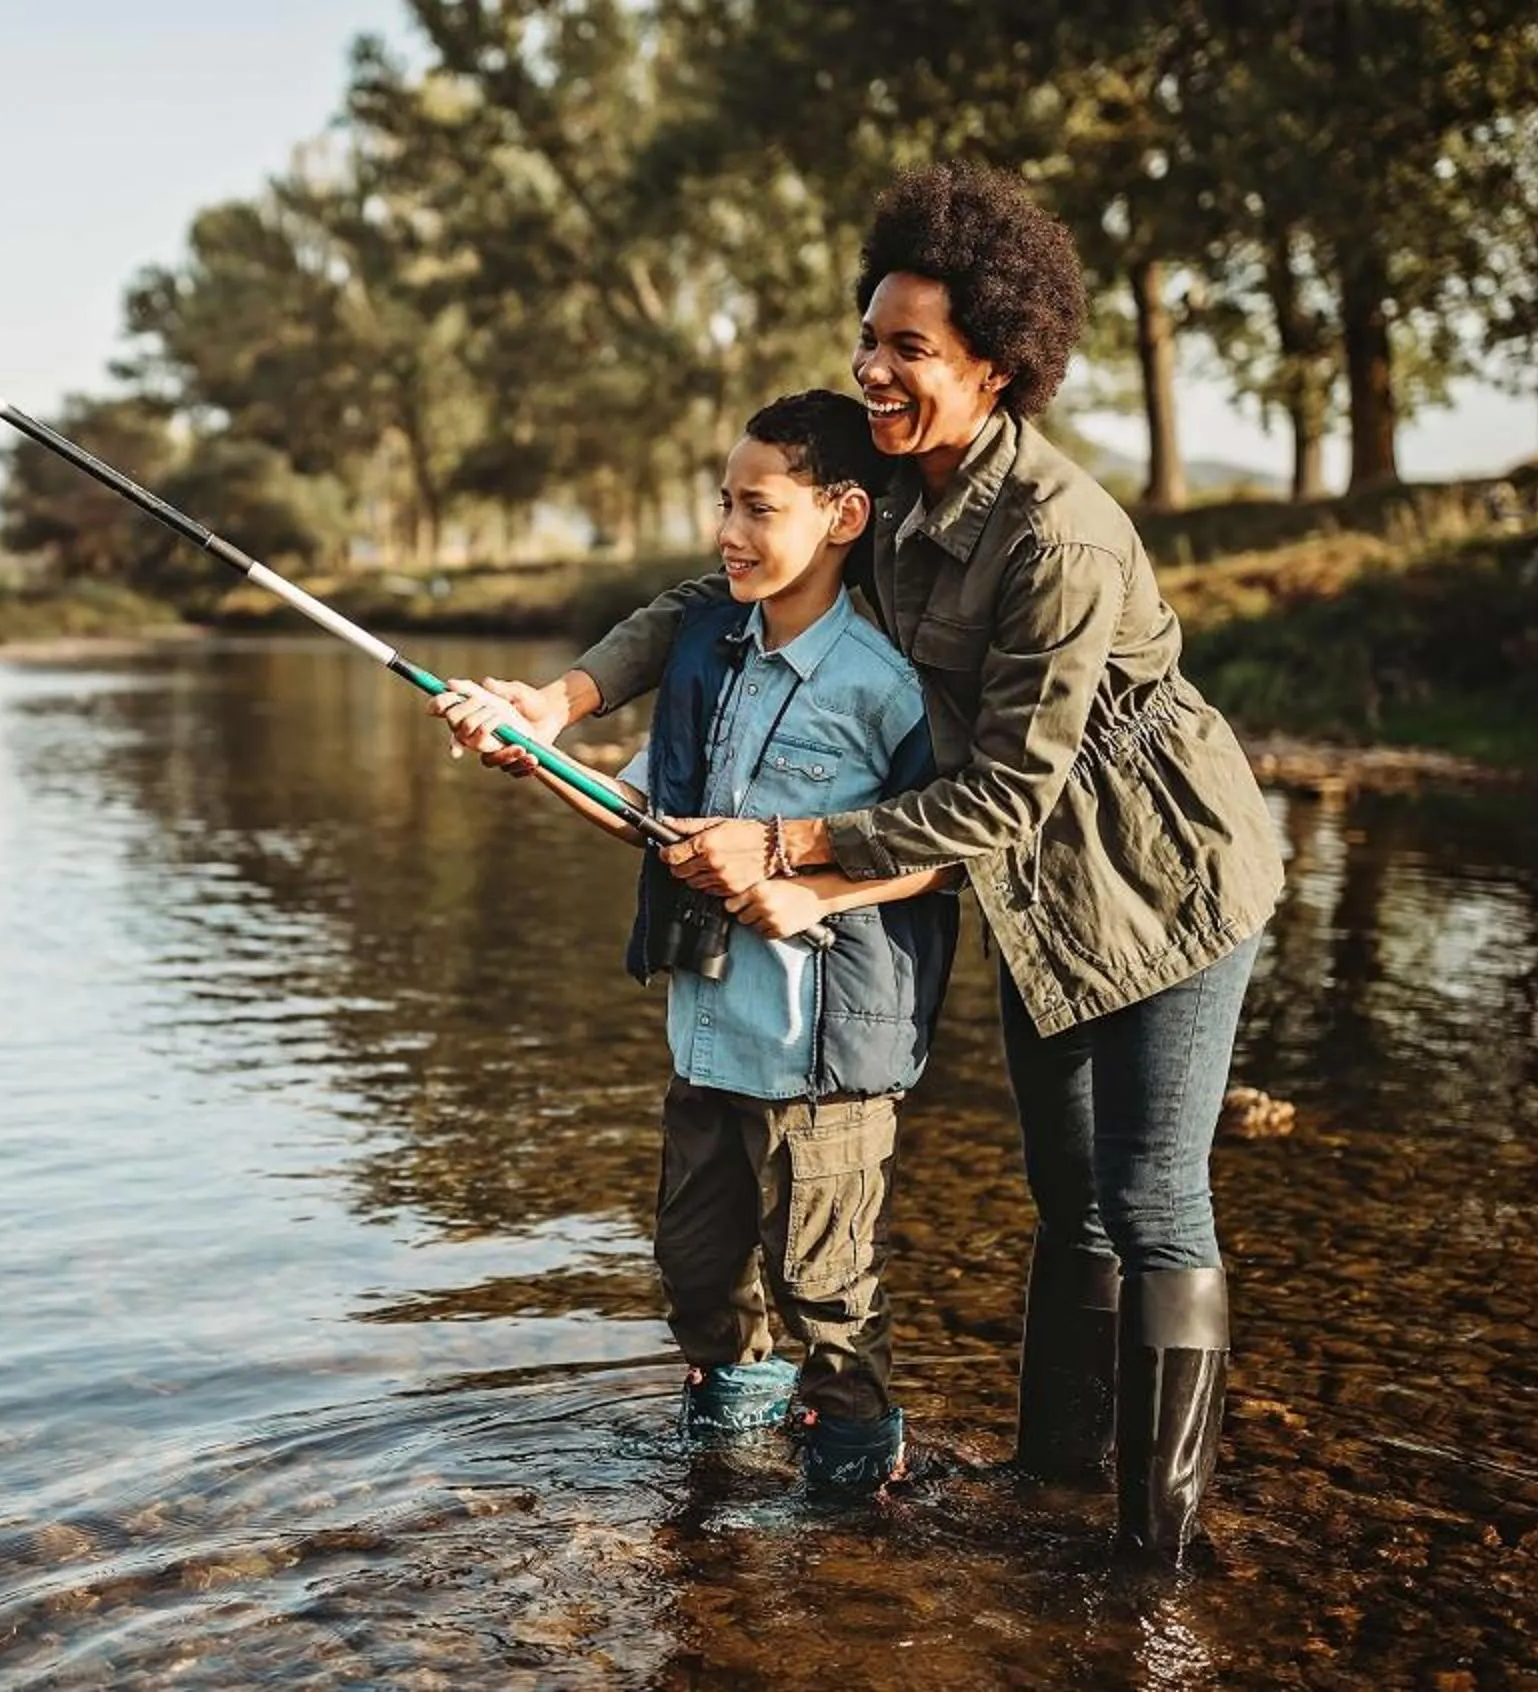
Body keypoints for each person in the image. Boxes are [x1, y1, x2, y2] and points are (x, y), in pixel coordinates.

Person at [463, 163, 1286, 1565]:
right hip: (1031, 895)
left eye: (913, 347)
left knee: (1152, 1195)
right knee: (1065, 1197)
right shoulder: (884, 489)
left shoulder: (1060, 533)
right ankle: (1052, 1481)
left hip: (1169, 876)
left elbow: (1016, 784)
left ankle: (1160, 1548)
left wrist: (793, 848)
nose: (877, 368)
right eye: (874, 338)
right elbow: (699, 600)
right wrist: (562, 703)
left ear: (1000, 366)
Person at [435, 391, 959, 1495]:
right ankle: (729, 1471)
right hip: (708, 1041)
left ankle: (859, 1488)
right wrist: (532, 754)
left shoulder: (886, 684)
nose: (728, 531)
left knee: (829, 1290)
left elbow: (950, 853)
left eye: (757, 508)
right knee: (697, 1276)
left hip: (824, 1060)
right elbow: (644, 820)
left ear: (843, 515)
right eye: (723, 503)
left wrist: (813, 893)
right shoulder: (705, 655)